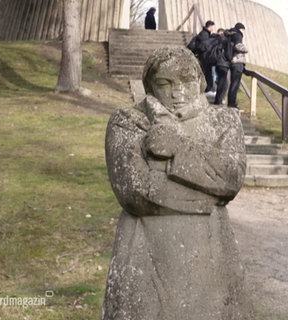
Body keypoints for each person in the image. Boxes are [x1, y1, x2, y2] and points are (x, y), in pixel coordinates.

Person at [103, 46, 250, 319]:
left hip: (212, 251)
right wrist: (209, 197)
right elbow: (134, 191)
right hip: (145, 250)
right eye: (165, 83)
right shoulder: (128, 122)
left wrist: (177, 148)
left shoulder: (224, 121)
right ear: (150, 86)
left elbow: (231, 178)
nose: (177, 92)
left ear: (200, 80)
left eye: (186, 81)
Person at [227, 22, 247, 109]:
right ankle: (232, 103)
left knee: (233, 83)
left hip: (232, 61)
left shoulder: (230, 34)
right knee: (235, 84)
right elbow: (238, 46)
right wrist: (246, 49)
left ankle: (231, 102)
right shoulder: (238, 35)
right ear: (241, 29)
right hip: (237, 61)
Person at [196, 20, 216, 94]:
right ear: (209, 26)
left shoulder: (205, 34)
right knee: (207, 73)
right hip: (205, 57)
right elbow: (204, 46)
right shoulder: (205, 34)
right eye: (212, 27)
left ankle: (208, 88)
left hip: (204, 56)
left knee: (208, 73)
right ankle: (208, 89)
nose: (213, 29)